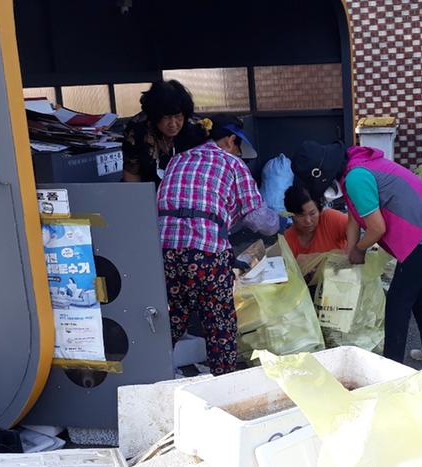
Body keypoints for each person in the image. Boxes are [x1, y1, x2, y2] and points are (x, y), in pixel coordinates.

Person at [291, 141, 422, 366]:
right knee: (419, 291)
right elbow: (355, 216)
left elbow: (376, 228)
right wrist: (350, 251)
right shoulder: (355, 166)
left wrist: (359, 249)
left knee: (397, 302)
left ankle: (391, 367)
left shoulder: (355, 178)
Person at [157, 114, 277, 375]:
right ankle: (224, 382)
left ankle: (152, 375)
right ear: (231, 140)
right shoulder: (231, 163)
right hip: (207, 253)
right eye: (238, 147)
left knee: (172, 317)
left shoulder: (177, 160)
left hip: (164, 251)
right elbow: (257, 218)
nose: (238, 153)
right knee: (219, 323)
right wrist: (279, 223)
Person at [122, 80, 208, 184]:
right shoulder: (137, 130)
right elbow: (132, 173)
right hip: (148, 187)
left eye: (178, 116)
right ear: (154, 116)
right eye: (166, 117)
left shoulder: (197, 129)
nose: (173, 124)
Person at [282, 185, 349, 258]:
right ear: (291, 215)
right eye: (301, 215)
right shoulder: (287, 240)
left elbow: (356, 230)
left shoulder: (331, 219)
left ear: (319, 210)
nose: (308, 221)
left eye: (312, 213)